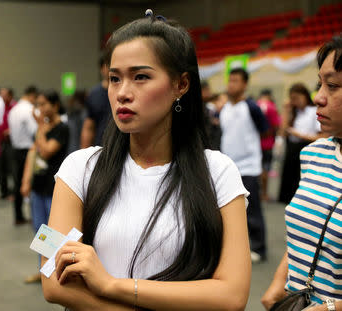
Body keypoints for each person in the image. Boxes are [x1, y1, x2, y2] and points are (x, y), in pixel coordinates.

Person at [41, 11, 251, 310]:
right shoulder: (77, 168)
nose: (123, 93)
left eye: (141, 77)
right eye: (114, 78)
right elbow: (51, 280)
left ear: (181, 85)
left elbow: (232, 295)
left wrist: (112, 285)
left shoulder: (218, 172)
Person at [262, 35, 342, 311]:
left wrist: (330, 308)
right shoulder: (314, 154)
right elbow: (308, 233)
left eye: (332, 86)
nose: (318, 97)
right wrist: (278, 280)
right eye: (320, 84)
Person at [219, 67, 269, 263]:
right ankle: (233, 247)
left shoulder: (252, 107)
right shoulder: (225, 109)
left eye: (236, 81)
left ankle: (259, 247)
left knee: (252, 210)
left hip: (248, 166)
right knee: (229, 209)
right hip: (228, 166)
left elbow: (265, 131)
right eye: (230, 80)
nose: (231, 85)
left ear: (245, 84)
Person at [21, 90, 69, 283]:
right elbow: (33, 154)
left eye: (43, 104)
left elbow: (48, 151)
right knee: (40, 232)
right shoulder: (42, 129)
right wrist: (26, 181)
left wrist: (40, 126)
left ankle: (57, 272)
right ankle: (44, 271)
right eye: (38, 105)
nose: (40, 109)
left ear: (55, 105)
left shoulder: (61, 128)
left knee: (53, 232)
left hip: (53, 187)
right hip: (38, 186)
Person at [278, 83, 324, 204]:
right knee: (289, 180)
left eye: (297, 98)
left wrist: (298, 134)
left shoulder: (313, 111)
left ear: (305, 96)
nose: (295, 102)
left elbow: (320, 136)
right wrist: (286, 111)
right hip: (292, 148)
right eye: (292, 99)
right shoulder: (294, 112)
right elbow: (282, 132)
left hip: (306, 145)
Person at [8, 86, 38, 225]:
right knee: (30, 184)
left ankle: (18, 215)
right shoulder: (29, 110)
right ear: (32, 96)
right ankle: (35, 215)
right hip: (28, 150)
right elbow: (35, 131)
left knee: (17, 183)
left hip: (15, 149)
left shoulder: (13, 109)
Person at [80, 56, 111, 148]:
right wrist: (84, 153)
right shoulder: (94, 94)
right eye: (107, 65)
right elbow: (89, 127)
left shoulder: (124, 92)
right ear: (102, 69)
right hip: (101, 146)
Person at [257, 89, 281, 201]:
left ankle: (257, 192)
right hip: (267, 143)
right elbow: (276, 125)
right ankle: (264, 194)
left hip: (255, 143)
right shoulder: (271, 107)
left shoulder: (256, 105)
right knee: (265, 168)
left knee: (257, 168)